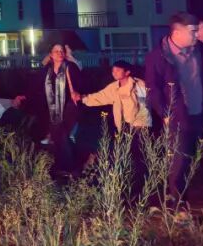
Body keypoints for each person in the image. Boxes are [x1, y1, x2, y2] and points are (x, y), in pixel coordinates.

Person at [145, 12, 203, 215]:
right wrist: (165, 113)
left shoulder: (199, 50)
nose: (196, 35)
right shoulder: (158, 56)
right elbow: (153, 89)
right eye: (192, 31)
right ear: (177, 33)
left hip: (202, 114)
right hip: (177, 117)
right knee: (180, 163)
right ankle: (180, 206)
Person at [81, 60, 151, 133]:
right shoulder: (113, 87)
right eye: (113, 71)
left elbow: (144, 105)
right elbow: (100, 97)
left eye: (117, 70)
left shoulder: (139, 84)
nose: (114, 73)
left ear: (127, 72)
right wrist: (83, 98)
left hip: (139, 126)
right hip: (122, 126)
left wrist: (140, 125)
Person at [42, 44, 81, 174]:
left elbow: (80, 80)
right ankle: (64, 165)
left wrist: (77, 93)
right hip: (52, 108)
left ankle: (70, 167)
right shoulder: (47, 69)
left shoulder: (70, 66)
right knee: (58, 136)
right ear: (51, 54)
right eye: (56, 51)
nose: (59, 53)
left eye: (61, 51)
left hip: (69, 106)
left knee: (62, 134)